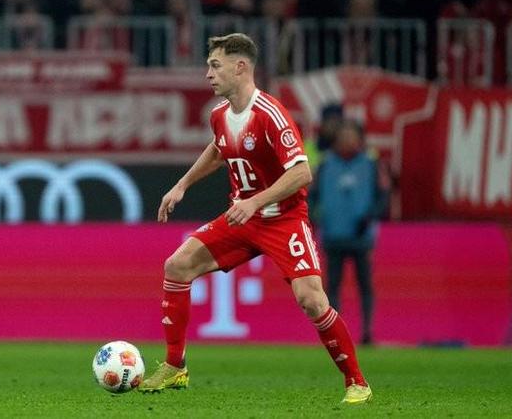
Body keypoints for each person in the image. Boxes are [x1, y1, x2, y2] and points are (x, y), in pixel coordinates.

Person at [137, 33, 372, 404]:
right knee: (177, 266)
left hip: (283, 219)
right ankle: (174, 366)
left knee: (312, 300)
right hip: (242, 219)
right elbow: (218, 150)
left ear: (240, 67)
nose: (208, 74)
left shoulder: (270, 114)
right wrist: (182, 185)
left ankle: (357, 382)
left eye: (215, 66)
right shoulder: (219, 115)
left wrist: (256, 202)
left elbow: (302, 172)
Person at [309, 121, 390, 345]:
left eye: (351, 136)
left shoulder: (371, 165)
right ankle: (334, 334)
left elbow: (384, 196)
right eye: (343, 136)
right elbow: (311, 196)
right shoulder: (324, 165)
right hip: (333, 235)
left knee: (365, 285)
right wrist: (316, 217)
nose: (347, 140)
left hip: (361, 236)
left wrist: (370, 217)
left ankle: (367, 332)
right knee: (332, 287)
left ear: (359, 140)